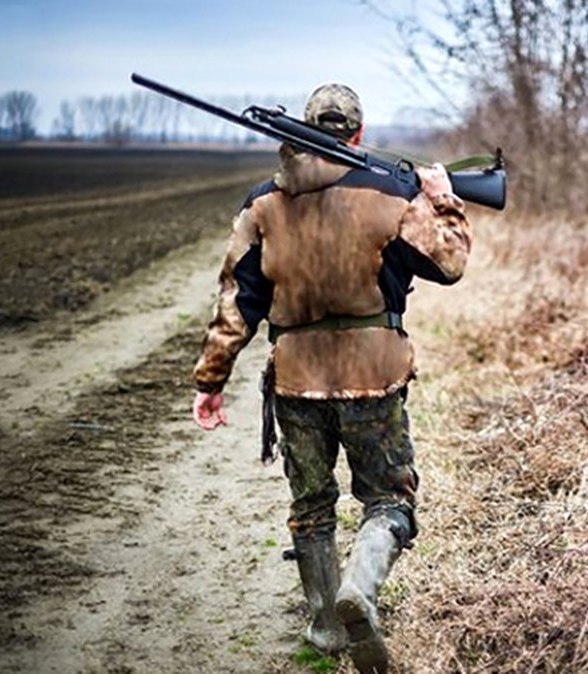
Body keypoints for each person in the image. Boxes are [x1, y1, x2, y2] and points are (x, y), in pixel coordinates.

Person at [190, 83, 471, 674]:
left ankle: (323, 627)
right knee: (389, 500)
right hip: (376, 375)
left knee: (311, 506)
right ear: (359, 134)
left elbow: (236, 301)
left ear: (300, 129)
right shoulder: (392, 193)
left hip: (296, 381)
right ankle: (359, 591)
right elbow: (450, 264)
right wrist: (443, 201)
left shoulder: (261, 203)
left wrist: (211, 379)